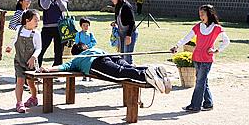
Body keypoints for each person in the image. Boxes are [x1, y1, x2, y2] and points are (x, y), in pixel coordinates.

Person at [41, 43, 171, 94]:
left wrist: (48, 69)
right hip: (109, 56)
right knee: (126, 67)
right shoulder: (94, 48)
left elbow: (64, 67)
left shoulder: (77, 58)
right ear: (85, 47)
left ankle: (145, 75)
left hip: (96, 63)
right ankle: (150, 69)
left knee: (119, 74)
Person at [170, 4, 230, 113]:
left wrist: (216, 50)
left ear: (209, 14)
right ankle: (208, 104)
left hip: (207, 60)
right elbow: (187, 37)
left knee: (200, 82)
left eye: (202, 13)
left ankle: (195, 106)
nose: (200, 16)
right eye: (199, 14)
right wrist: (177, 46)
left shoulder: (217, 28)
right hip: (196, 58)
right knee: (202, 81)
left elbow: (226, 41)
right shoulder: (198, 26)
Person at [5, 10, 42, 113]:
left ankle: (34, 98)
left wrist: (33, 57)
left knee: (31, 82)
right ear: (27, 20)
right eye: (35, 20)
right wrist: (10, 47)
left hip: (31, 63)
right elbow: (14, 39)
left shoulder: (36, 34)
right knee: (20, 81)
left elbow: (39, 48)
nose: (37, 23)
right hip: (19, 61)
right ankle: (19, 102)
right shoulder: (19, 29)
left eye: (38, 21)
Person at [38, 0, 68, 67]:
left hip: (60, 27)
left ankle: (56, 69)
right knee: (41, 48)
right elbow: (45, 6)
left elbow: (64, 9)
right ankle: (37, 67)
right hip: (47, 28)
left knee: (59, 51)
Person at [109, 0, 138, 64]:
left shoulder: (126, 6)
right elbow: (120, 18)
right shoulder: (117, 6)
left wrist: (128, 36)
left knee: (127, 56)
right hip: (121, 33)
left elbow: (131, 22)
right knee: (121, 55)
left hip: (130, 33)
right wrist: (115, 23)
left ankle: (131, 73)